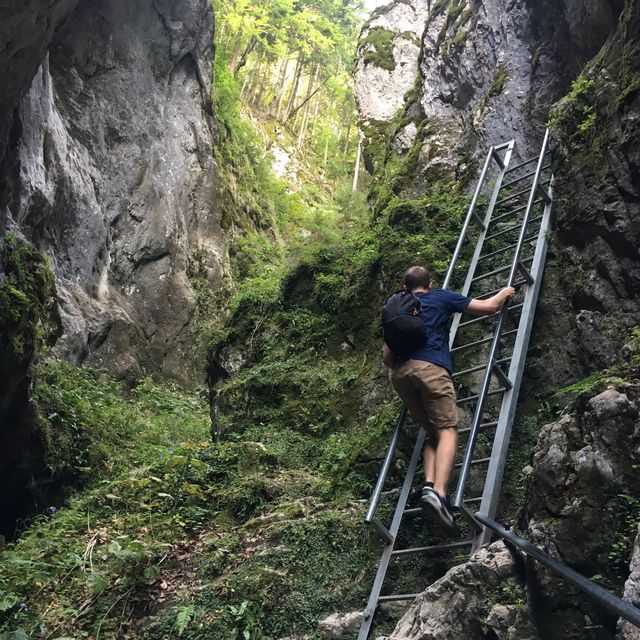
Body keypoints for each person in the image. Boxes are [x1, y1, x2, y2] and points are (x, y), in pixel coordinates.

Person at [382, 266, 515, 533]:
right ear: (429, 284)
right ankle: (440, 495)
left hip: (400, 375)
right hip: (431, 368)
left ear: (405, 286)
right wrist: (505, 292)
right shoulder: (441, 297)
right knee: (448, 430)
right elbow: (488, 307)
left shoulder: (397, 309)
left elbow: (387, 358)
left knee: (433, 432)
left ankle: (430, 485)